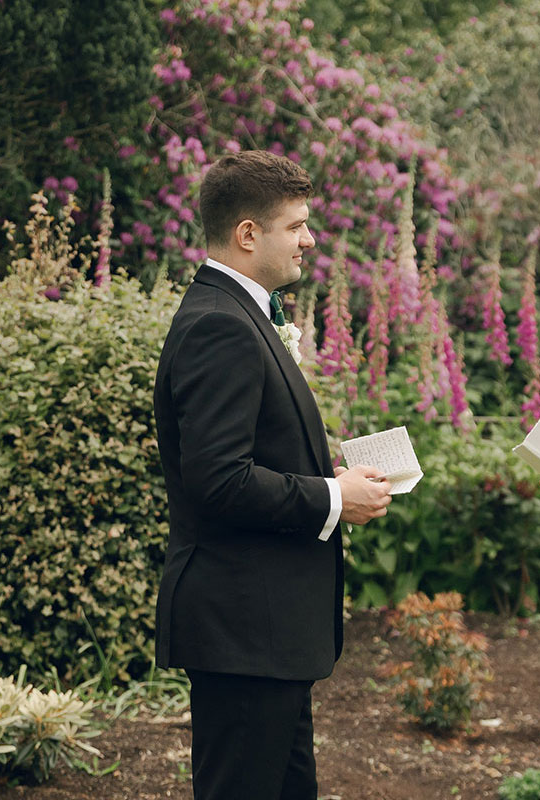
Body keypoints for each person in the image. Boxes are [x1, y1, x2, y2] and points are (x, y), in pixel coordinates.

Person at [153, 150, 392, 800]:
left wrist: (331, 480)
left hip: (266, 636)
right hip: (243, 630)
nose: (311, 239)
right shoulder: (219, 327)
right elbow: (219, 480)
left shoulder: (242, 314)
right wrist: (332, 497)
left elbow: (245, 458)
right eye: (297, 226)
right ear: (248, 233)